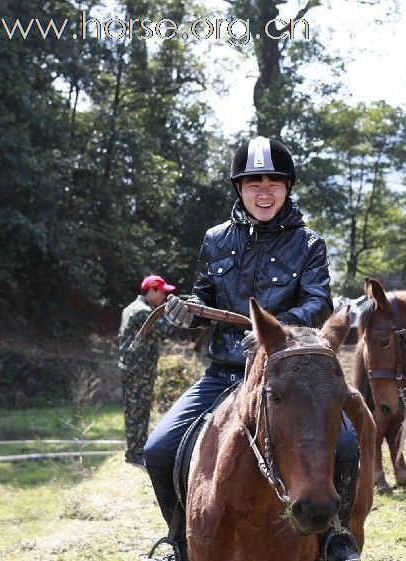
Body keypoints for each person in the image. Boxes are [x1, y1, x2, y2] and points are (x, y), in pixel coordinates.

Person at [143, 136, 359, 561]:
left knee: (348, 445)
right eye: (253, 183)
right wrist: (189, 311)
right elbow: (204, 297)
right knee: (159, 449)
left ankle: (335, 536)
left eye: (274, 182)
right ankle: (178, 540)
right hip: (225, 373)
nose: (264, 192)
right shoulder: (215, 239)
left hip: (290, 378)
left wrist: (274, 333)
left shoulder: (309, 244)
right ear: (239, 189)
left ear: (288, 187)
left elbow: (319, 303)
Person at [117, 275, 180, 467]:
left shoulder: (131, 308)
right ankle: (136, 453)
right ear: (152, 290)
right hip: (139, 371)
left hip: (134, 369)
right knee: (138, 411)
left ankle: (135, 451)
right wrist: (172, 312)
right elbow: (167, 331)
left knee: (134, 411)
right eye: (162, 292)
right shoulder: (143, 312)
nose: (164, 296)